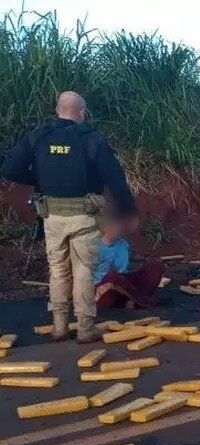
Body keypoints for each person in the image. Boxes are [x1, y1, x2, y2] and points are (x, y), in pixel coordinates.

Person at [2, 91, 137, 342]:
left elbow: (9, 169)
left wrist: (39, 179)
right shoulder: (90, 139)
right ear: (82, 112)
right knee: (83, 270)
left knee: (58, 270)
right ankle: (85, 327)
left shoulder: (39, 136)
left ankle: (59, 326)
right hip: (84, 216)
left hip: (52, 216)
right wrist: (129, 210)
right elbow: (114, 177)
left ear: (57, 110)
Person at [93, 222, 166, 311]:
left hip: (123, 284)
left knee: (156, 265)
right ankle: (141, 301)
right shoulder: (93, 246)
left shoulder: (123, 244)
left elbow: (123, 270)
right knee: (112, 277)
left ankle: (133, 299)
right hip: (103, 286)